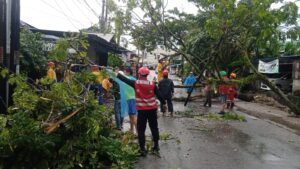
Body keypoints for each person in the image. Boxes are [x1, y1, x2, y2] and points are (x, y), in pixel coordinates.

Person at [116, 67, 165, 157]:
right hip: (152, 110)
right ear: (147, 75)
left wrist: (117, 73)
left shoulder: (136, 83)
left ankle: (142, 149)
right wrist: (164, 103)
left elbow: (124, 79)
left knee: (141, 130)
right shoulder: (152, 84)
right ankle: (156, 146)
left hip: (142, 111)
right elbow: (160, 96)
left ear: (139, 74)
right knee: (154, 128)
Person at [124, 68, 138, 133]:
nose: (124, 73)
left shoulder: (127, 79)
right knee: (130, 115)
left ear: (128, 72)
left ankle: (138, 131)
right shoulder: (135, 79)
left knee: (133, 115)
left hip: (131, 99)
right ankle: (131, 129)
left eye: (125, 72)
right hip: (132, 98)